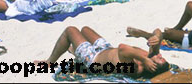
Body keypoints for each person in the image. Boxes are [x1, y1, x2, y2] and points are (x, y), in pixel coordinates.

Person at [40, 25, 169, 78]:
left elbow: (123, 47)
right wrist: (156, 37)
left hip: (93, 59)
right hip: (106, 48)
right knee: (85, 29)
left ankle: (49, 62)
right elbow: (158, 31)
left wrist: (145, 59)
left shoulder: (138, 68)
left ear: (152, 66)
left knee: (70, 30)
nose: (160, 55)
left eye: (160, 58)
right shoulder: (152, 55)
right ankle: (76, 50)